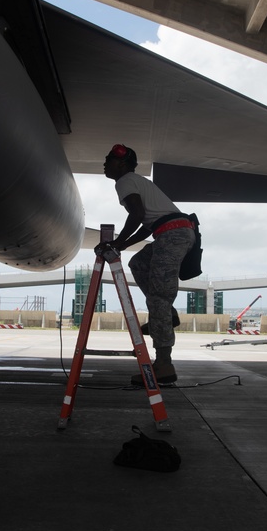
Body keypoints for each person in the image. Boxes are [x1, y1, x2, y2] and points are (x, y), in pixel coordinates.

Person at [98, 144, 196, 385]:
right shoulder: (137, 181)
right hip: (172, 231)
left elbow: (137, 214)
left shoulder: (124, 181)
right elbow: (147, 223)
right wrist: (122, 245)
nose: (104, 162)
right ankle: (167, 315)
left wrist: (117, 243)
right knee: (139, 263)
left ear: (122, 164)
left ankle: (164, 364)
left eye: (109, 159)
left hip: (172, 234)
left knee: (158, 299)